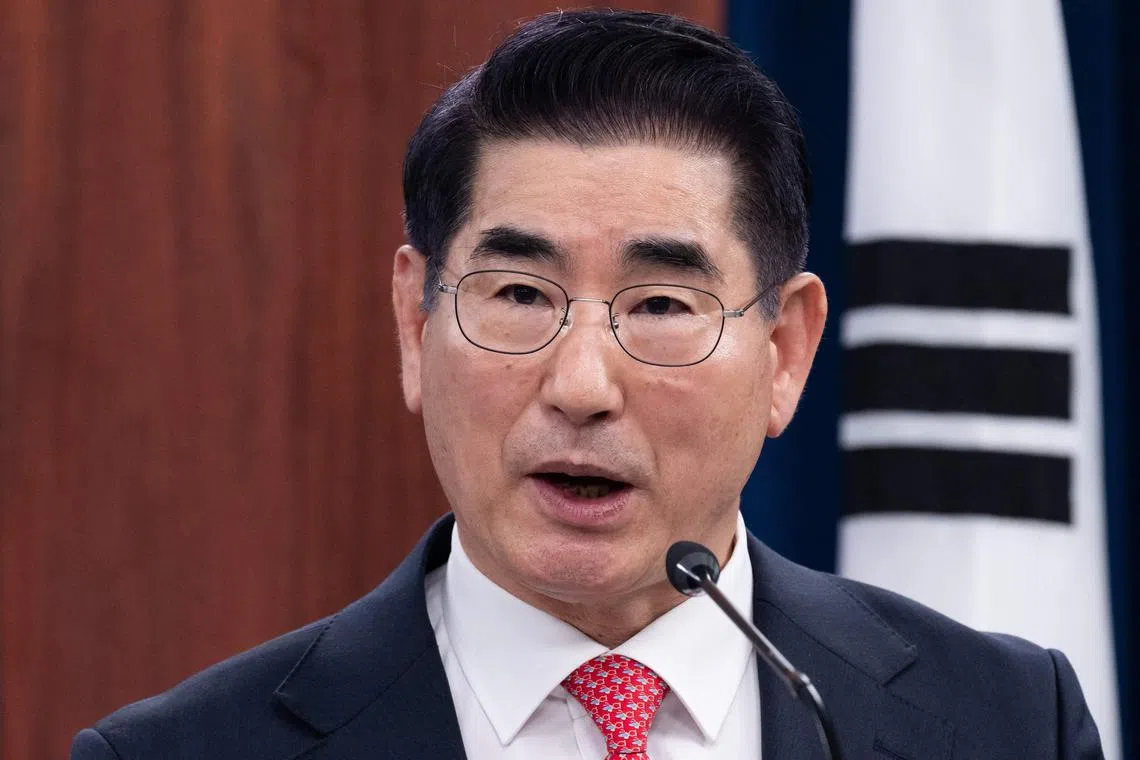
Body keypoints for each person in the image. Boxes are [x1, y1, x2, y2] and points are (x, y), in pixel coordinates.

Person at [71, 9, 1103, 760]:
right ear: (415, 323)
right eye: (520, 294)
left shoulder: (1007, 723)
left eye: (661, 305)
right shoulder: (182, 752)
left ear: (785, 351)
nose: (580, 385)